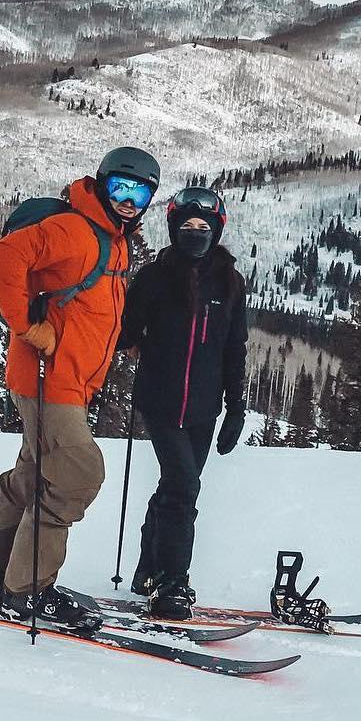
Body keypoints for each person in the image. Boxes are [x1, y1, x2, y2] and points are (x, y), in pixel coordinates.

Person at [0, 146, 160, 631]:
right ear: (103, 184)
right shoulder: (75, 230)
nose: (130, 200)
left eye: (140, 192)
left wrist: (119, 343)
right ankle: (26, 592)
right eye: (121, 188)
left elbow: (84, 303)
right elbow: (6, 254)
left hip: (65, 380)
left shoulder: (112, 237)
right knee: (76, 476)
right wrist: (24, 327)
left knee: (33, 473)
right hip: (51, 380)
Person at [116, 187, 249, 620]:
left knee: (174, 487)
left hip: (204, 409)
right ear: (174, 229)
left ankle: (148, 570)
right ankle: (172, 583)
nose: (196, 233)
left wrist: (235, 408)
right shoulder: (155, 277)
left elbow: (236, 347)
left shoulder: (229, 281)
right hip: (161, 401)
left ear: (217, 230)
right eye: (188, 227)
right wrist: (133, 340)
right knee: (184, 487)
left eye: (204, 227)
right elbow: (126, 331)